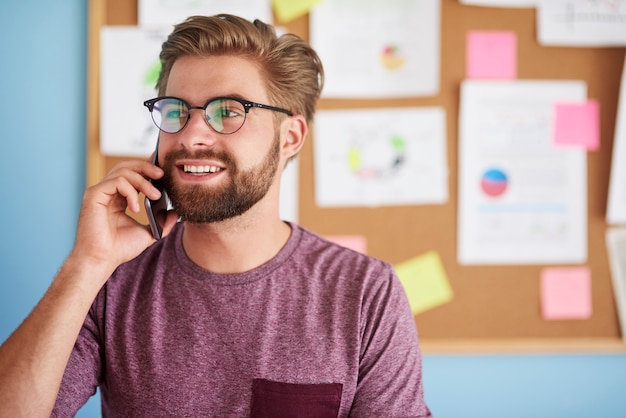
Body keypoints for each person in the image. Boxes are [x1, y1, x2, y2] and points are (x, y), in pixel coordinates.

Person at [0, 14, 431, 417]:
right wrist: (87, 263)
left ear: (291, 137)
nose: (192, 135)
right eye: (176, 112)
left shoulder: (365, 293)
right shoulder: (112, 282)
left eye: (228, 111)